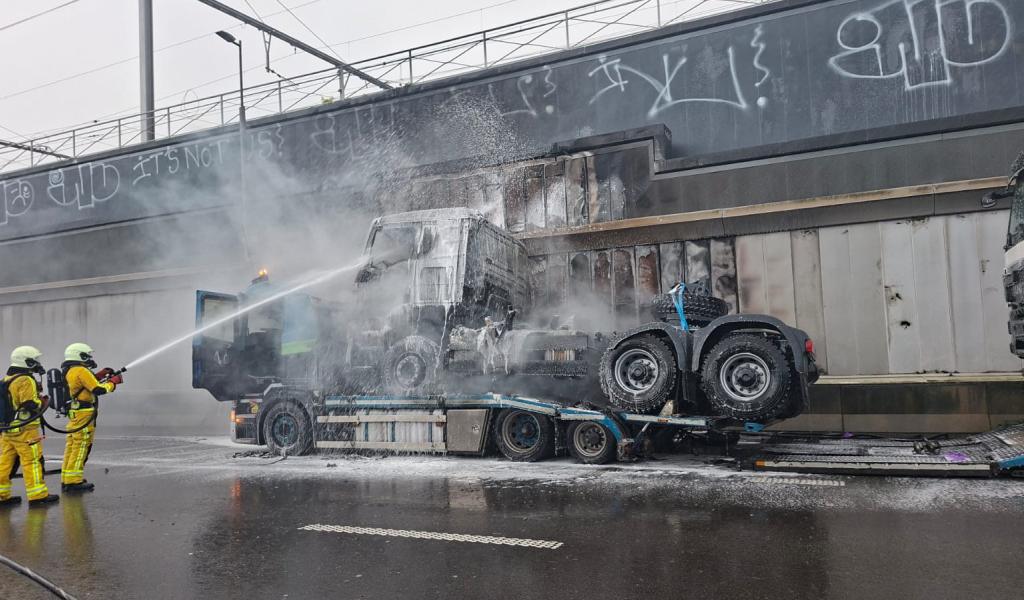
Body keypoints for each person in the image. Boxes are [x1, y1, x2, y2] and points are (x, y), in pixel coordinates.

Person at [0, 346, 58, 506]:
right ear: (27, 361)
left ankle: (2, 495)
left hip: (8, 430)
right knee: (32, 461)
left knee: (5, 462)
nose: (37, 363)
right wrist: (42, 400)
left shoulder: (8, 378)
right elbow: (29, 404)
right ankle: (38, 496)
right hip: (25, 431)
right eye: (35, 360)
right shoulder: (26, 379)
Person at [61, 343, 122, 493]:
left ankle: (67, 478)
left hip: (76, 412)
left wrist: (100, 375)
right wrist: (112, 383)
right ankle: (74, 482)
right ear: (79, 355)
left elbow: (86, 383)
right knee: (81, 446)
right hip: (84, 414)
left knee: (72, 445)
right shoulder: (81, 370)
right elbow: (98, 389)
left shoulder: (70, 370)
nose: (89, 358)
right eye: (87, 355)